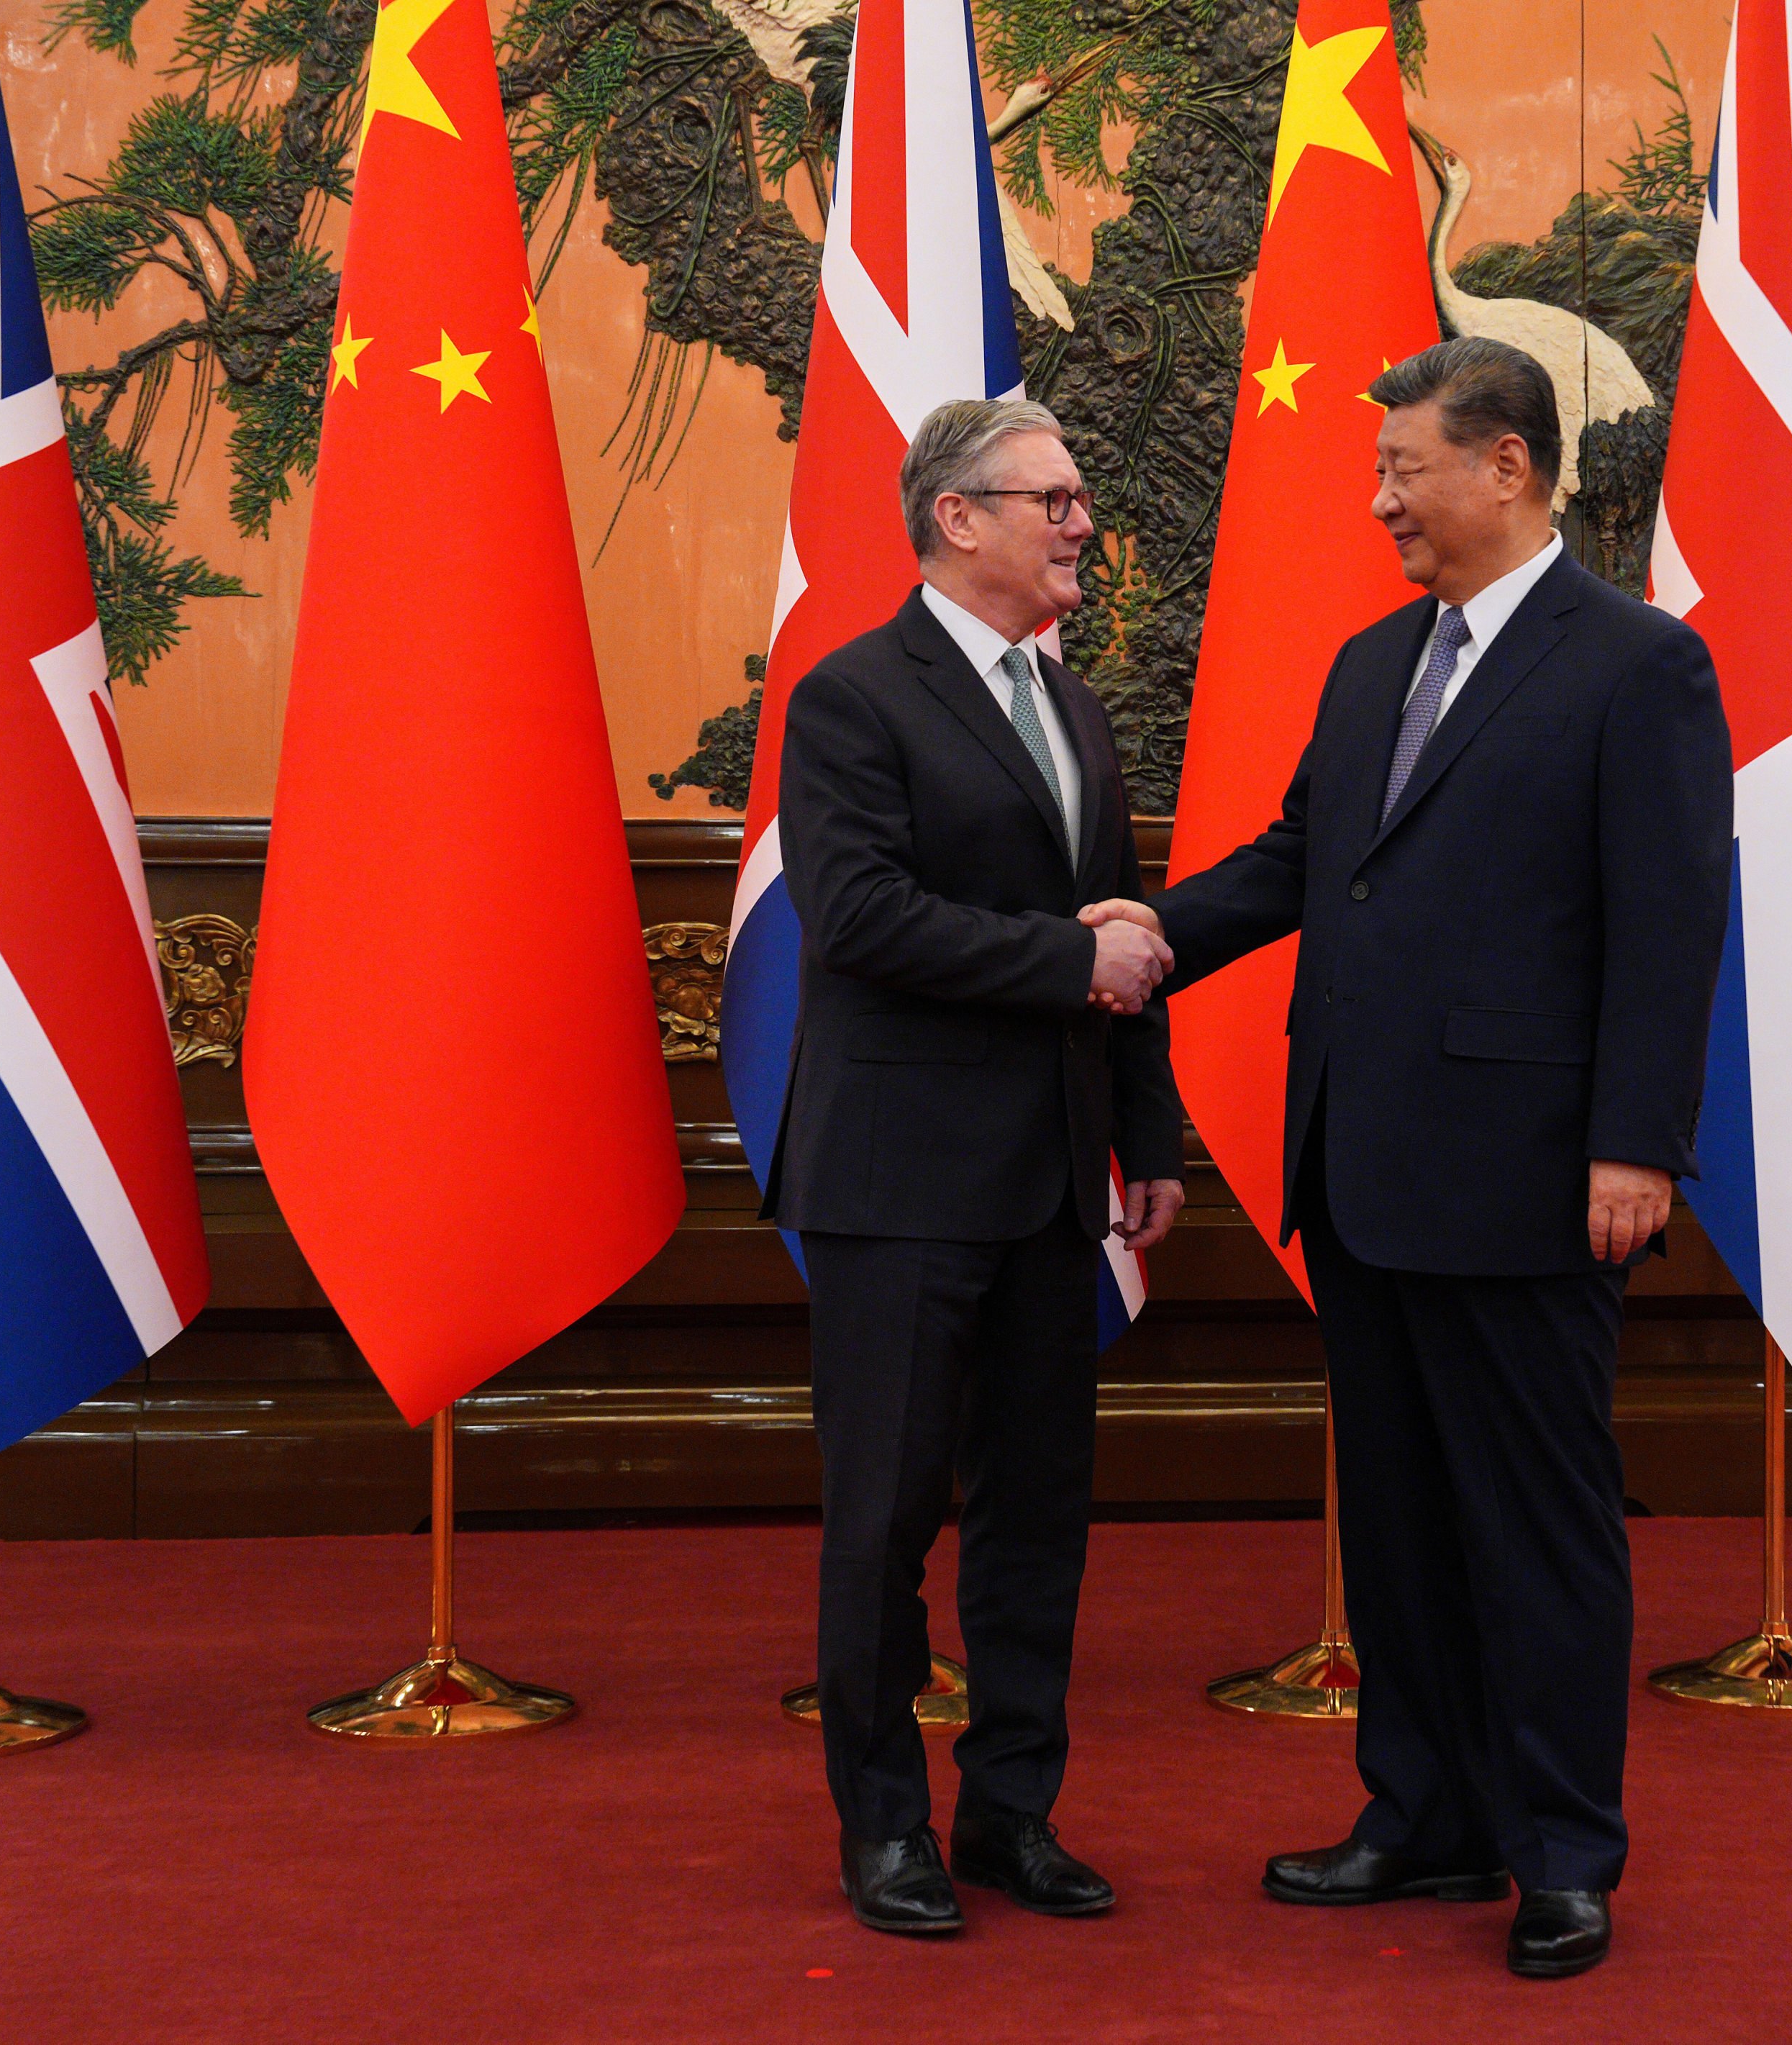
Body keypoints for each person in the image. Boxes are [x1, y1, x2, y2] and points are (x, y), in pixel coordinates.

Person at [1083, 336, 1732, 1980]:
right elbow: (1310, 858)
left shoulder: (1632, 661)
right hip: (1362, 1165)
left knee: (1535, 1526)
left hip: (1533, 1176)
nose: (1378, 501)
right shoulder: (1376, 659)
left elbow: (1669, 925)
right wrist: (1152, 928)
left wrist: (1631, 1145)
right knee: (1397, 1525)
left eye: (1403, 470)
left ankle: (1562, 1849)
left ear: (1505, 465)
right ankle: (1419, 1812)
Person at [769, 397, 1188, 1937]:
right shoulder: (851, 697)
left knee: (1039, 1514)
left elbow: (1119, 931)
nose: (1082, 522)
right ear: (956, 516)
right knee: (882, 1516)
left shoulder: (1069, 707)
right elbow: (863, 918)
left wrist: (1144, 1132)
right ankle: (883, 1824)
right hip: (894, 1180)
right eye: (1055, 499)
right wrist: (1066, 960)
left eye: (1080, 496)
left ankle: (1012, 1809)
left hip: (1047, 1182)